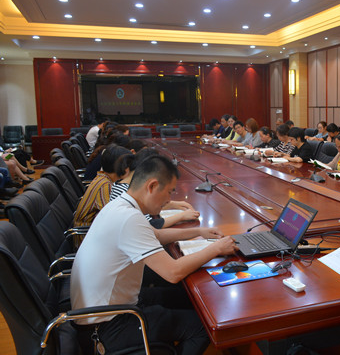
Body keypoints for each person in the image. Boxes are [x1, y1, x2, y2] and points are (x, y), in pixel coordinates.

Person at [71, 155, 237, 354]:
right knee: (204, 326)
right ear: (151, 186)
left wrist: (199, 232)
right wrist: (216, 248)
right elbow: (173, 272)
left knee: (188, 298)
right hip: (106, 326)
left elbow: (156, 235)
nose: (169, 200)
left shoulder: (121, 206)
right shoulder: (128, 217)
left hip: (111, 308)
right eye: (169, 192)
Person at [110, 148, 199, 229]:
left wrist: (174, 204)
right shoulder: (125, 192)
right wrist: (182, 216)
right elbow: (151, 225)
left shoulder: (123, 186)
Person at [73, 145, 133, 247]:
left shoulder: (103, 177)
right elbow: (113, 218)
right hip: (87, 238)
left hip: (94, 232)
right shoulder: (105, 185)